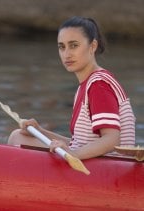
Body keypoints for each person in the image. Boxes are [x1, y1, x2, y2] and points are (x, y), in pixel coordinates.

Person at [8, 16, 136, 160]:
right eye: (62, 47)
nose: (67, 54)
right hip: (97, 162)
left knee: (16, 138)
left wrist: (73, 154)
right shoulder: (89, 84)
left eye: (74, 45)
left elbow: (112, 140)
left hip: (110, 170)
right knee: (19, 136)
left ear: (93, 46)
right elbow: (79, 144)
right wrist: (40, 132)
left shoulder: (99, 85)